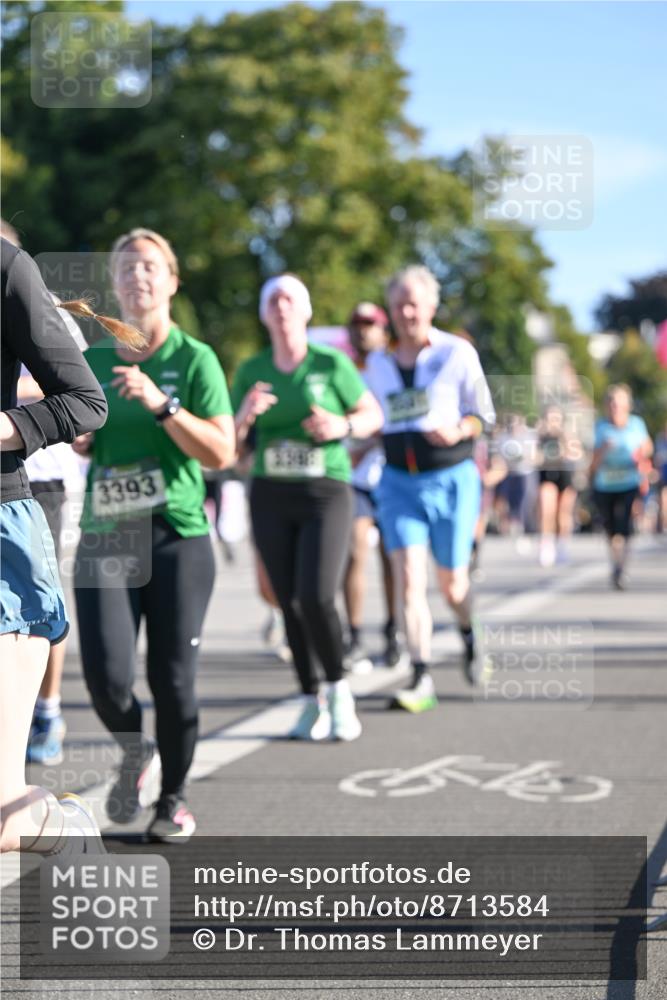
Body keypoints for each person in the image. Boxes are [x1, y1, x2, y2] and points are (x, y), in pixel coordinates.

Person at [73, 228, 235, 843]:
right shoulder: (92, 360)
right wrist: (80, 438)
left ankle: (173, 800)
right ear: (114, 284)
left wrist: (164, 406)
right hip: (107, 533)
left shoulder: (195, 359)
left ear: (171, 281)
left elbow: (221, 452)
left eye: (149, 266)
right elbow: (81, 435)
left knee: (173, 677)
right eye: (126, 267)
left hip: (176, 535)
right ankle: (135, 747)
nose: (137, 276)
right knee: (106, 677)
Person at [1, 236, 117, 854]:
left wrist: (7, 426)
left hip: (2, 545)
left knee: (4, 819)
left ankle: (64, 829)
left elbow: (86, 402)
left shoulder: (6, 268)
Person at [232, 274, 383, 741]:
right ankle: (307, 697)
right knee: (287, 601)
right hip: (270, 492)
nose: (281, 307)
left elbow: (373, 415)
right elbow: (230, 445)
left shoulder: (330, 362)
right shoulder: (252, 369)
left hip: (326, 491)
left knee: (316, 595)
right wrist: (245, 417)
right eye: (273, 300)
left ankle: (338, 689)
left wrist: (341, 425)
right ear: (264, 314)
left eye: (290, 299)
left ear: (306, 310)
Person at [364, 265, 495, 712]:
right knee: (408, 582)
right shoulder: (378, 363)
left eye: (413, 304)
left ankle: (469, 632)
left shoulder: (457, 353)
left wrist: (460, 429)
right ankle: (420, 675)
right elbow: (373, 417)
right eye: (398, 304)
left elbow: (484, 415)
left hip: (451, 479)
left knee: (453, 585)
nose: (406, 313)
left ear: (431, 307)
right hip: (398, 483)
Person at [342, 302, 402, 673]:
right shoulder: (341, 368)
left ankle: (394, 629)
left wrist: (370, 443)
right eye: (356, 323)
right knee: (353, 554)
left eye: (370, 323)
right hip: (354, 479)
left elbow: (398, 418)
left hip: (392, 474)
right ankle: (354, 636)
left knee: (393, 559)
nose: (362, 330)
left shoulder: (393, 367)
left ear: (383, 330)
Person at [590, 384, 653, 589]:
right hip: (605, 484)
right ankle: (615, 564)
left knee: (625, 526)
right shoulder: (600, 427)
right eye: (611, 402)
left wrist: (640, 453)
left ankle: (621, 568)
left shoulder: (636, 424)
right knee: (610, 529)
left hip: (629, 482)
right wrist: (603, 449)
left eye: (619, 403)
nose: (615, 407)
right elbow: (592, 461)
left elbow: (648, 447)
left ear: (627, 405)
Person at [536, 405, 579, 567]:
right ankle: (546, 544)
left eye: (556, 419)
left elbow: (576, 454)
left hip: (564, 476)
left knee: (563, 513)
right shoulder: (541, 437)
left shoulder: (567, 436)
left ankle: (562, 544)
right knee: (547, 510)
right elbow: (534, 457)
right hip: (547, 475)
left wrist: (564, 444)